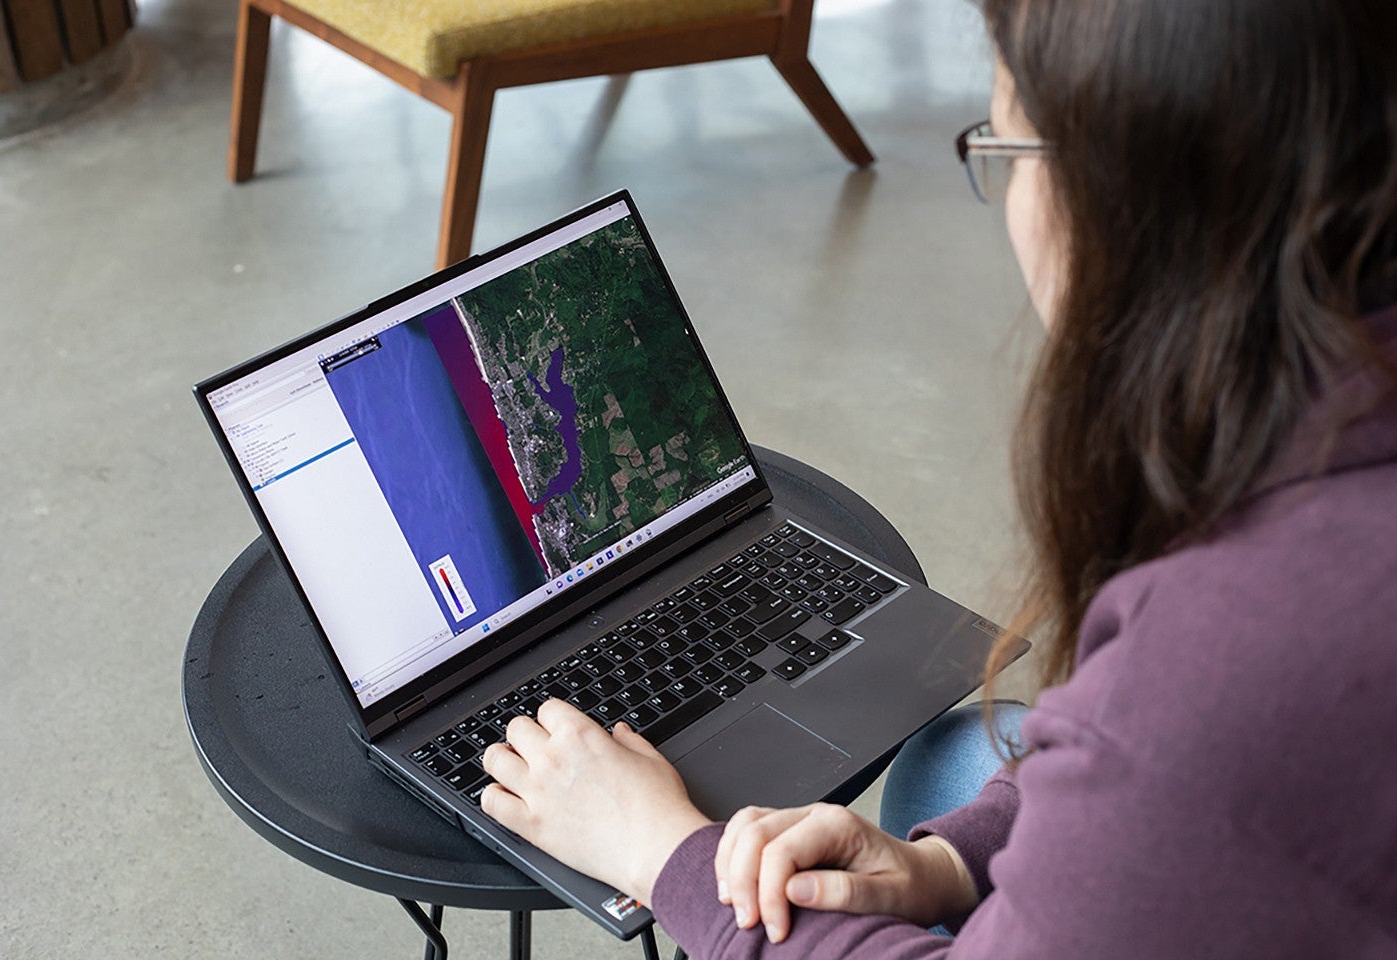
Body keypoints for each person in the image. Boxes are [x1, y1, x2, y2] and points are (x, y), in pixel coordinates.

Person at [476, 0, 1397, 955]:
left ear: (1127, 196)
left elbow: (1166, 751)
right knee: (961, 762)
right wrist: (947, 866)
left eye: (1005, 150)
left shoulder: (1220, 662)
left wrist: (666, 855)